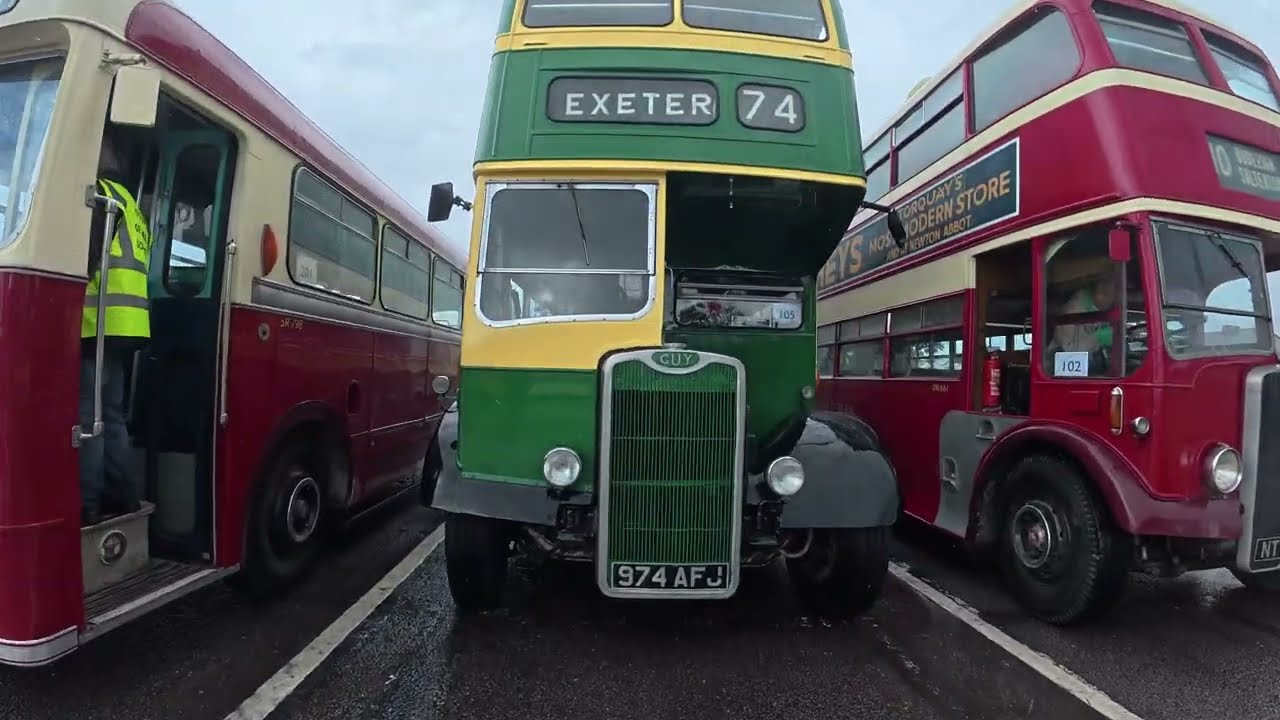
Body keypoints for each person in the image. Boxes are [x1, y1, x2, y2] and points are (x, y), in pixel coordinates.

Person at [80, 130, 153, 527]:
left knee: (88, 417)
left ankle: (87, 506)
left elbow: (85, 260)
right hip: (128, 324)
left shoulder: (100, 197)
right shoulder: (133, 206)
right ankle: (123, 499)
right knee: (112, 415)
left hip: (98, 322)